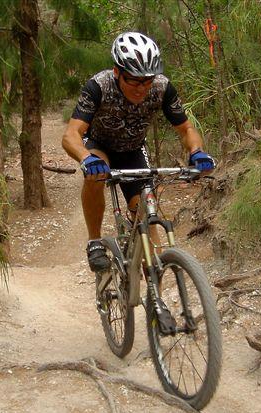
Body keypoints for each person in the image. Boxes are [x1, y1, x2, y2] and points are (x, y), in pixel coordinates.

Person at [62, 31, 215, 272]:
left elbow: (186, 129)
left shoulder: (162, 87)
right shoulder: (98, 86)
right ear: (117, 72)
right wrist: (85, 157)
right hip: (99, 147)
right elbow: (71, 135)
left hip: (133, 149)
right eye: (133, 80)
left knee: (145, 213)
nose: (141, 88)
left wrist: (197, 151)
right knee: (96, 174)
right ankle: (94, 241)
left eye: (147, 80)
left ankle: (155, 291)